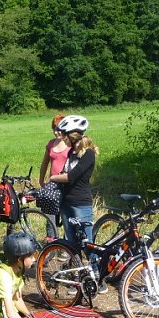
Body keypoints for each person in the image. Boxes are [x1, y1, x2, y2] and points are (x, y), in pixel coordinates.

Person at [47, 114, 106, 291]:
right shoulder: (71, 153)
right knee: (72, 243)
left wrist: (52, 177)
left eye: (64, 134)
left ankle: (97, 277)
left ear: (71, 136)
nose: (61, 137)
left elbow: (72, 176)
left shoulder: (88, 154)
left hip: (81, 204)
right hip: (66, 203)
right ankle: (77, 278)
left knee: (87, 243)